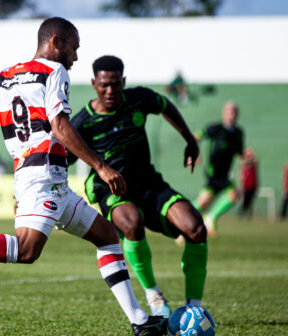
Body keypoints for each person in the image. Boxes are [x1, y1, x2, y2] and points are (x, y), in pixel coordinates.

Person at [0, 17, 167, 336]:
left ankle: (139, 321)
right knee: (26, 250)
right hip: (40, 177)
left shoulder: (2, 76)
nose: (75, 57)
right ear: (55, 42)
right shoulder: (55, 71)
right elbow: (60, 127)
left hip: (46, 179)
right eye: (74, 48)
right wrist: (101, 166)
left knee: (107, 236)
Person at [68, 55, 207, 318]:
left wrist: (189, 138)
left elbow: (165, 105)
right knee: (131, 224)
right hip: (110, 189)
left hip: (149, 183)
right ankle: (153, 295)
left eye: (116, 84)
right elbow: (62, 159)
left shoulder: (139, 99)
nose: (110, 91)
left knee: (196, 229)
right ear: (94, 84)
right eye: (104, 85)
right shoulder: (82, 122)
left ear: (124, 82)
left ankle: (194, 309)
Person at [192, 101, 245, 237]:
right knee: (203, 202)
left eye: (233, 111)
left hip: (225, 175)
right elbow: (195, 136)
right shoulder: (215, 129)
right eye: (228, 111)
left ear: (237, 114)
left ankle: (209, 218)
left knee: (233, 194)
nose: (231, 114)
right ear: (224, 113)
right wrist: (194, 153)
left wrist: (247, 155)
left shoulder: (238, 133)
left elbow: (240, 152)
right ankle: (182, 221)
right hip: (213, 174)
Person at [238, 148, 258, 218]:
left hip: (253, 186)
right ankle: (241, 213)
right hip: (245, 187)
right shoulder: (244, 167)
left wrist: (252, 154)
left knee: (251, 201)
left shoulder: (254, 166)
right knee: (245, 201)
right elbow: (243, 161)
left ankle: (250, 214)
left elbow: (255, 160)